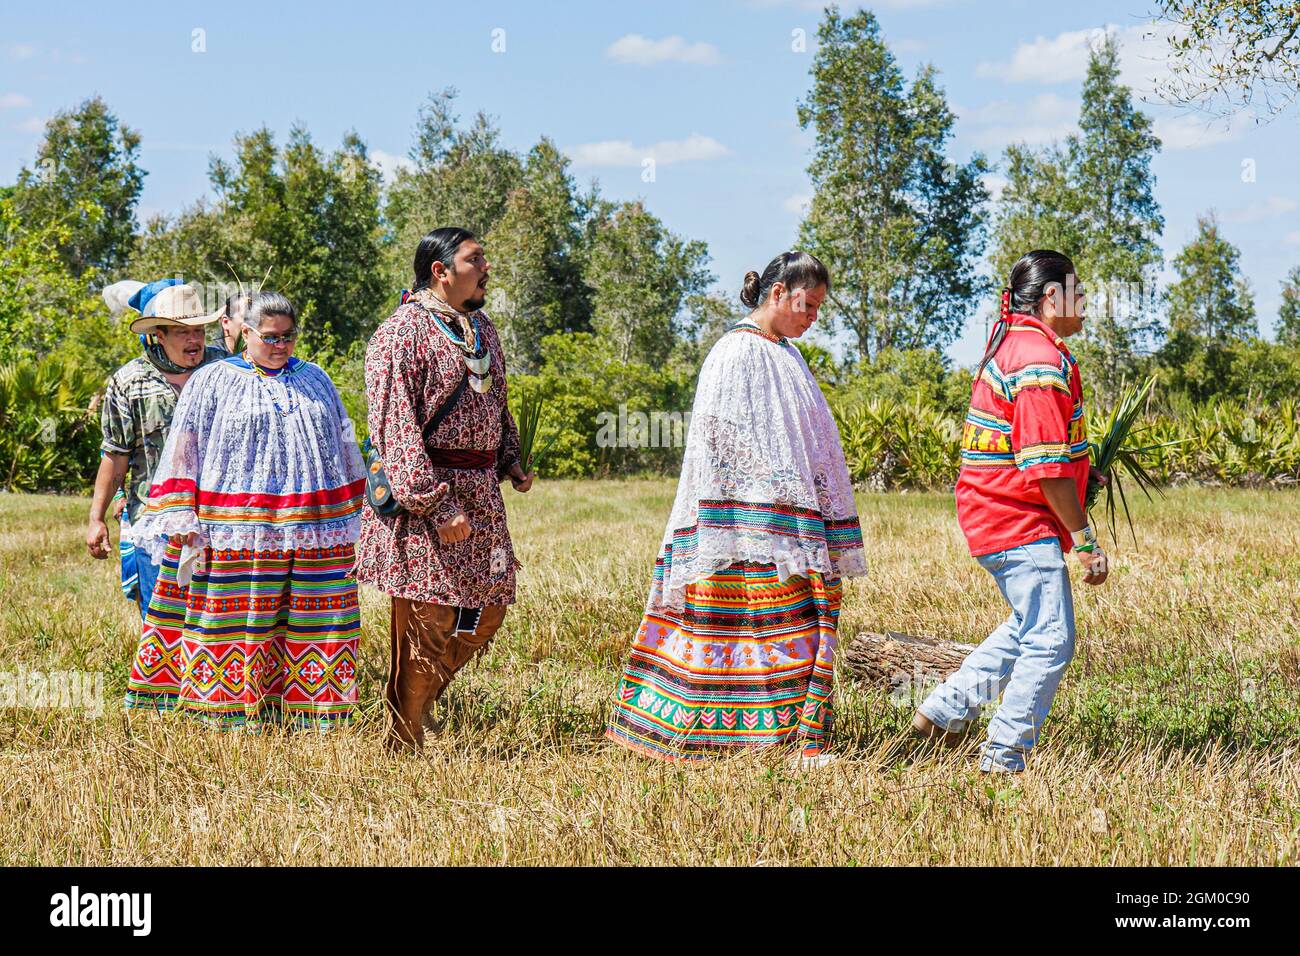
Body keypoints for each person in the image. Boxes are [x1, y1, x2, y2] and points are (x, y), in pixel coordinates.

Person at [606, 252, 868, 767]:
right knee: (744, 624)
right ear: (777, 293)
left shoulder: (785, 353)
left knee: (797, 624)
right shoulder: (735, 353)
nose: (813, 317)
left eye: (818, 308)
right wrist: (767, 504)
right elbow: (721, 442)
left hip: (785, 522)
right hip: (749, 526)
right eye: (807, 305)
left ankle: (792, 735)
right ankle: (726, 736)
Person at [123, 291, 368, 730]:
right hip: (232, 528)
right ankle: (227, 713)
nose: (281, 345)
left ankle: (309, 712)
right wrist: (181, 514)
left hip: (311, 531)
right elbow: (185, 448)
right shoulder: (213, 379)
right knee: (235, 616)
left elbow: (344, 444)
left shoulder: (317, 379)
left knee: (309, 618)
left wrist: (356, 512)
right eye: (271, 337)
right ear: (247, 332)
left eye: (289, 336)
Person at [912, 250, 1109, 773]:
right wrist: (1084, 541)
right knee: (1051, 640)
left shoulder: (1018, 344)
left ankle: (944, 712)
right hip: (1015, 517)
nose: (1086, 302)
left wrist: (1090, 470)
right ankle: (1004, 755)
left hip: (991, 512)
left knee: (1030, 625)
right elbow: (1044, 466)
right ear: (1052, 298)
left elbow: (1042, 448)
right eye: (1078, 292)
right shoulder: (1038, 360)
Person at [355, 227, 534, 751]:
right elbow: (395, 428)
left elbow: (496, 402)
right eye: (475, 259)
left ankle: (414, 708)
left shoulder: (483, 329)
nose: (486, 269)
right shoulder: (400, 334)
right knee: (429, 618)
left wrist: (510, 457)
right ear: (441, 270)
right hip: (427, 499)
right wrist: (436, 504)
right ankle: (403, 737)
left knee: (489, 610)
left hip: (482, 495)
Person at [88, 280, 228, 617]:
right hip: (157, 518)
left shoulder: (223, 368)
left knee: (218, 623)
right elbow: (115, 455)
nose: (194, 339)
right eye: (182, 332)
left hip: (220, 516)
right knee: (163, 620)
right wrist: (96, 517)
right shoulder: (131, 381)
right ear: (159, 335)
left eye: (198, 330)